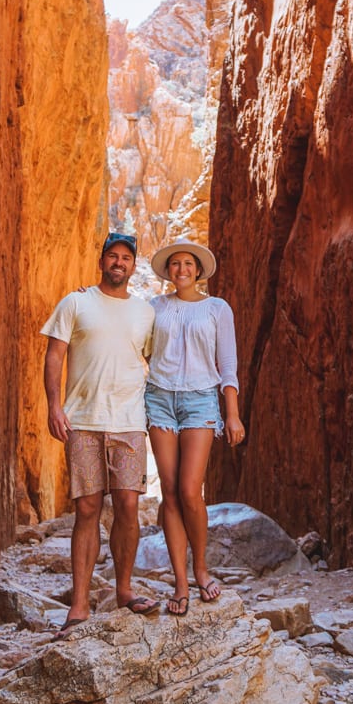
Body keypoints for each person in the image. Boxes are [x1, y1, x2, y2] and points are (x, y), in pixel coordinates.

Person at [42, 231, 160, 639]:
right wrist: (54, 407)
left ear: (133, 266)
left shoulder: (146, 313)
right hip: (84, 422)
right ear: (102, 261)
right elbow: (54, 355)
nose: (119, 263)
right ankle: (79, 603)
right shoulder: (76, 302)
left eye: (126, 258)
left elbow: (158, 363)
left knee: (128, 504)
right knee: (88, 508)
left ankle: (124, 589)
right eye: (113, 256)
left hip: (129, 422)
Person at [145, 236, 244, 616]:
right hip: (159, 399)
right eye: (175, 264)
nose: (182, 269)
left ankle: (201, 568)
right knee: (169, 492)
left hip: (201, 400)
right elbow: (133, 339)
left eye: (188, 264)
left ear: (198, 270)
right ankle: (181, 581)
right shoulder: (155, 307)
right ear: (168, 271)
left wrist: (231, 413)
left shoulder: (218, 309)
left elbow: (228, 365)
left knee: (190, 491)